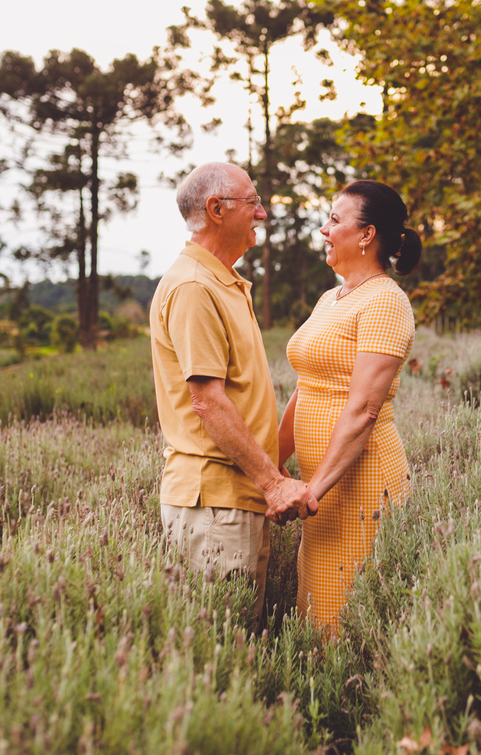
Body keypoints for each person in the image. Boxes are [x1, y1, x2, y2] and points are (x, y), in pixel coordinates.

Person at [150, 162, 317, 625]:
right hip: (215, 503)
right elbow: (206, 401)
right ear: (216, 209)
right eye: (254, 202)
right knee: (222, 652)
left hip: (236, 497)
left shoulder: (223, 282)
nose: (262, 214)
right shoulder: (193, 287)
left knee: (243, 643)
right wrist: (274, 483)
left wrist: (270, 469)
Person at [277, 180, 423, 631]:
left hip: (360, 486)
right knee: (315, 608)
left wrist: (311, 491)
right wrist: (274, 464)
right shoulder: (331, 299)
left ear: (366, 235)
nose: (324, 229)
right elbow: (307, 388)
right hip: (321, 488)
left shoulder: (385, 301)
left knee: (349, 615)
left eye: (335, 220)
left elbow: (363, 411)